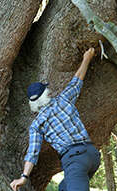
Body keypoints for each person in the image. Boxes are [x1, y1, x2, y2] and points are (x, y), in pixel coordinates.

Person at [10, 48, 100, 191]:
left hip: (75, 160)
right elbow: (77, 80)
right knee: (63, 187)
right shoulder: (63, 100)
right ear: (46, 93)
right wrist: (86, 58)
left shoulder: (37, 124)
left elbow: (33, 152)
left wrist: (24, 177)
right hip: (92, 156)